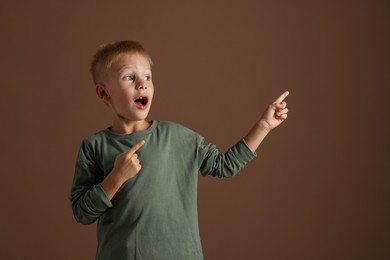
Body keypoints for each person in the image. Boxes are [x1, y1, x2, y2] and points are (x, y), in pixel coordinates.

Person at [70, 40, 289, 260]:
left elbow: (225, 166)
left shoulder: (179, 137)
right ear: (103, 93)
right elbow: (82, 212)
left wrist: (263, 126)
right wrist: (115, 178)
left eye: (147, 77)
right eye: (129, 77)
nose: (142, 84)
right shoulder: (94, 146)